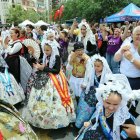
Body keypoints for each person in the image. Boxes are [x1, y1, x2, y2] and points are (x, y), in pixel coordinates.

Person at [22, 40, 76, 129]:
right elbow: (39, 62)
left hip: (56, 79)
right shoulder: (46, 56)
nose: (45, 52)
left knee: (55, 98)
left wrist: (43, 68)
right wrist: (32, 56)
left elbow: (56, 70)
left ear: (53, 49)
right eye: (44, 50)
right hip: (45, 77)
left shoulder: (57, 57)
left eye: (47, 50)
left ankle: (57, 119)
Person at [76, 74, 136, 140]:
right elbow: (99, 117)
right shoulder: (101, 106)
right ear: (102, 99)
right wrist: (91, 122)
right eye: (108, 103)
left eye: (115, 104)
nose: (111, 107)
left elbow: (131, 135)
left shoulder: (123, 117)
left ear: (121, 102)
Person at [75, 54, 112, 128]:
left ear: (103, 66)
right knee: (83, 103)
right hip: (90, 90)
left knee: (92, 107)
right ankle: (79, 122)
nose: (96, 68)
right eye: (95, 66)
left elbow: (108, 86)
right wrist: (85, 85)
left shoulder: (107, 75)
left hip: (99, 93)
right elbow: (87, 79)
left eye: (98, 66)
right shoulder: (92, 71)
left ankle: (87, 124)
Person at [114, 26, 140, 90]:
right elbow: (115, 59)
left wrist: (131, 59)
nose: (139, 37)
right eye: (138, 34)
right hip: (123, 79)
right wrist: (121, 51)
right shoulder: (127, 42)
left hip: (137, 81)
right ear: (132, 35)